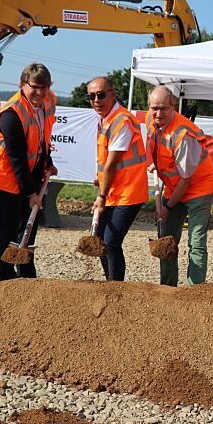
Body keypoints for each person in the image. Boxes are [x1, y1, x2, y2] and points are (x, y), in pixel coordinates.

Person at [0, 63, 58, 281]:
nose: (39, 92)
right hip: (4, 176)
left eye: (44, 87)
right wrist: (30, 194)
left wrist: (48, 162)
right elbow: (16, 158)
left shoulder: (47, 101)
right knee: (8, 230)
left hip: (30, 171)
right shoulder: (11, 114)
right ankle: (5, 281)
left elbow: (43, 137)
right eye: (35, 87)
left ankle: (26, 278)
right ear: (22, 85)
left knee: (29, 228)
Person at [146, 85, 213, 286]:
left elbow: (187, 179)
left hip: (198, 188)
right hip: (174, 185)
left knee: (196, 242)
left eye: (163, 109)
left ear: (173, 106)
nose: (158, 113)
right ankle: (167, 288)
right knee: (167, 238)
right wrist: (152, 162)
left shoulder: (183, 135)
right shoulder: (151, 120)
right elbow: (152, 144)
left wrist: (167, 207)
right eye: (154, 108)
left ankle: (194, 290)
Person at [88, 76, 148, 281]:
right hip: (115, 190)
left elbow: (112, 163)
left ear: (113, 94)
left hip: (129, 192)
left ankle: (116, 289)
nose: (96, 100)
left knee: (111, 241)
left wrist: (101, 196)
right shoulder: (105, 119)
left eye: (101, 94)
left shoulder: (122, 120)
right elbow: (105, 163)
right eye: (92, 96)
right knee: (101, 241)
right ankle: (110, 283)